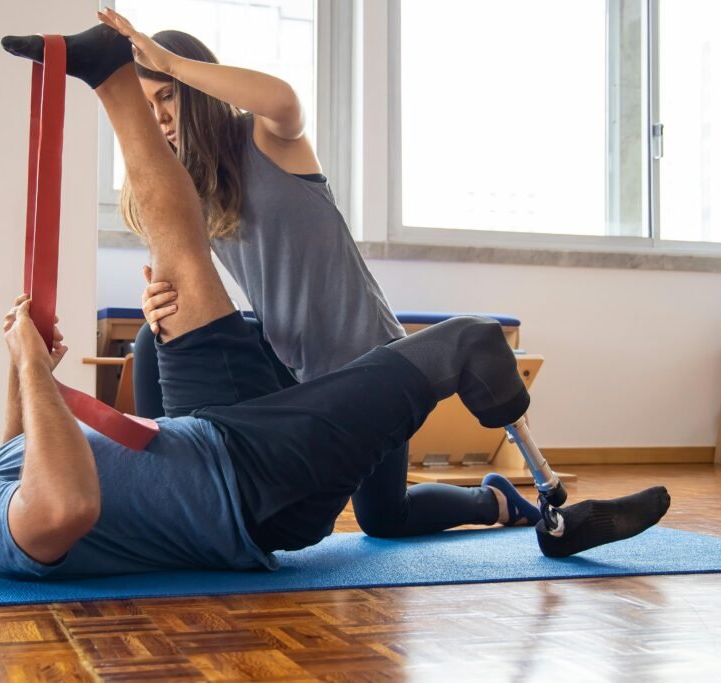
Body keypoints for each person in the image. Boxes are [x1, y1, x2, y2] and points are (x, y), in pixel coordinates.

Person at [0, 23, 671, 581]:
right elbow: (60, 504)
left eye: (167, 101)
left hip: (322, 371)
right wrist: (73, 345)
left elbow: (18, 453)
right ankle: (514, 500)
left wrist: (23, 360)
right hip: (258, 441)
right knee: (392, 489)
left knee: (381, 506)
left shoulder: (264, 143)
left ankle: (511, 497)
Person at [97, 8, 545, 539]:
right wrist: (161, 306)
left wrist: (167, 61)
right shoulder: (196, 187)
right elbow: (189, 280)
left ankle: (495, 501)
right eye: (147, 107)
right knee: (151, 343)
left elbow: (284, 99)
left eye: (167, 96)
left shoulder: (266, 139)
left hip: (366, 358)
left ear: (192, 86)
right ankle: (168, 488)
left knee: (385, 519)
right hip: (286, 367)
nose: (159, 117)